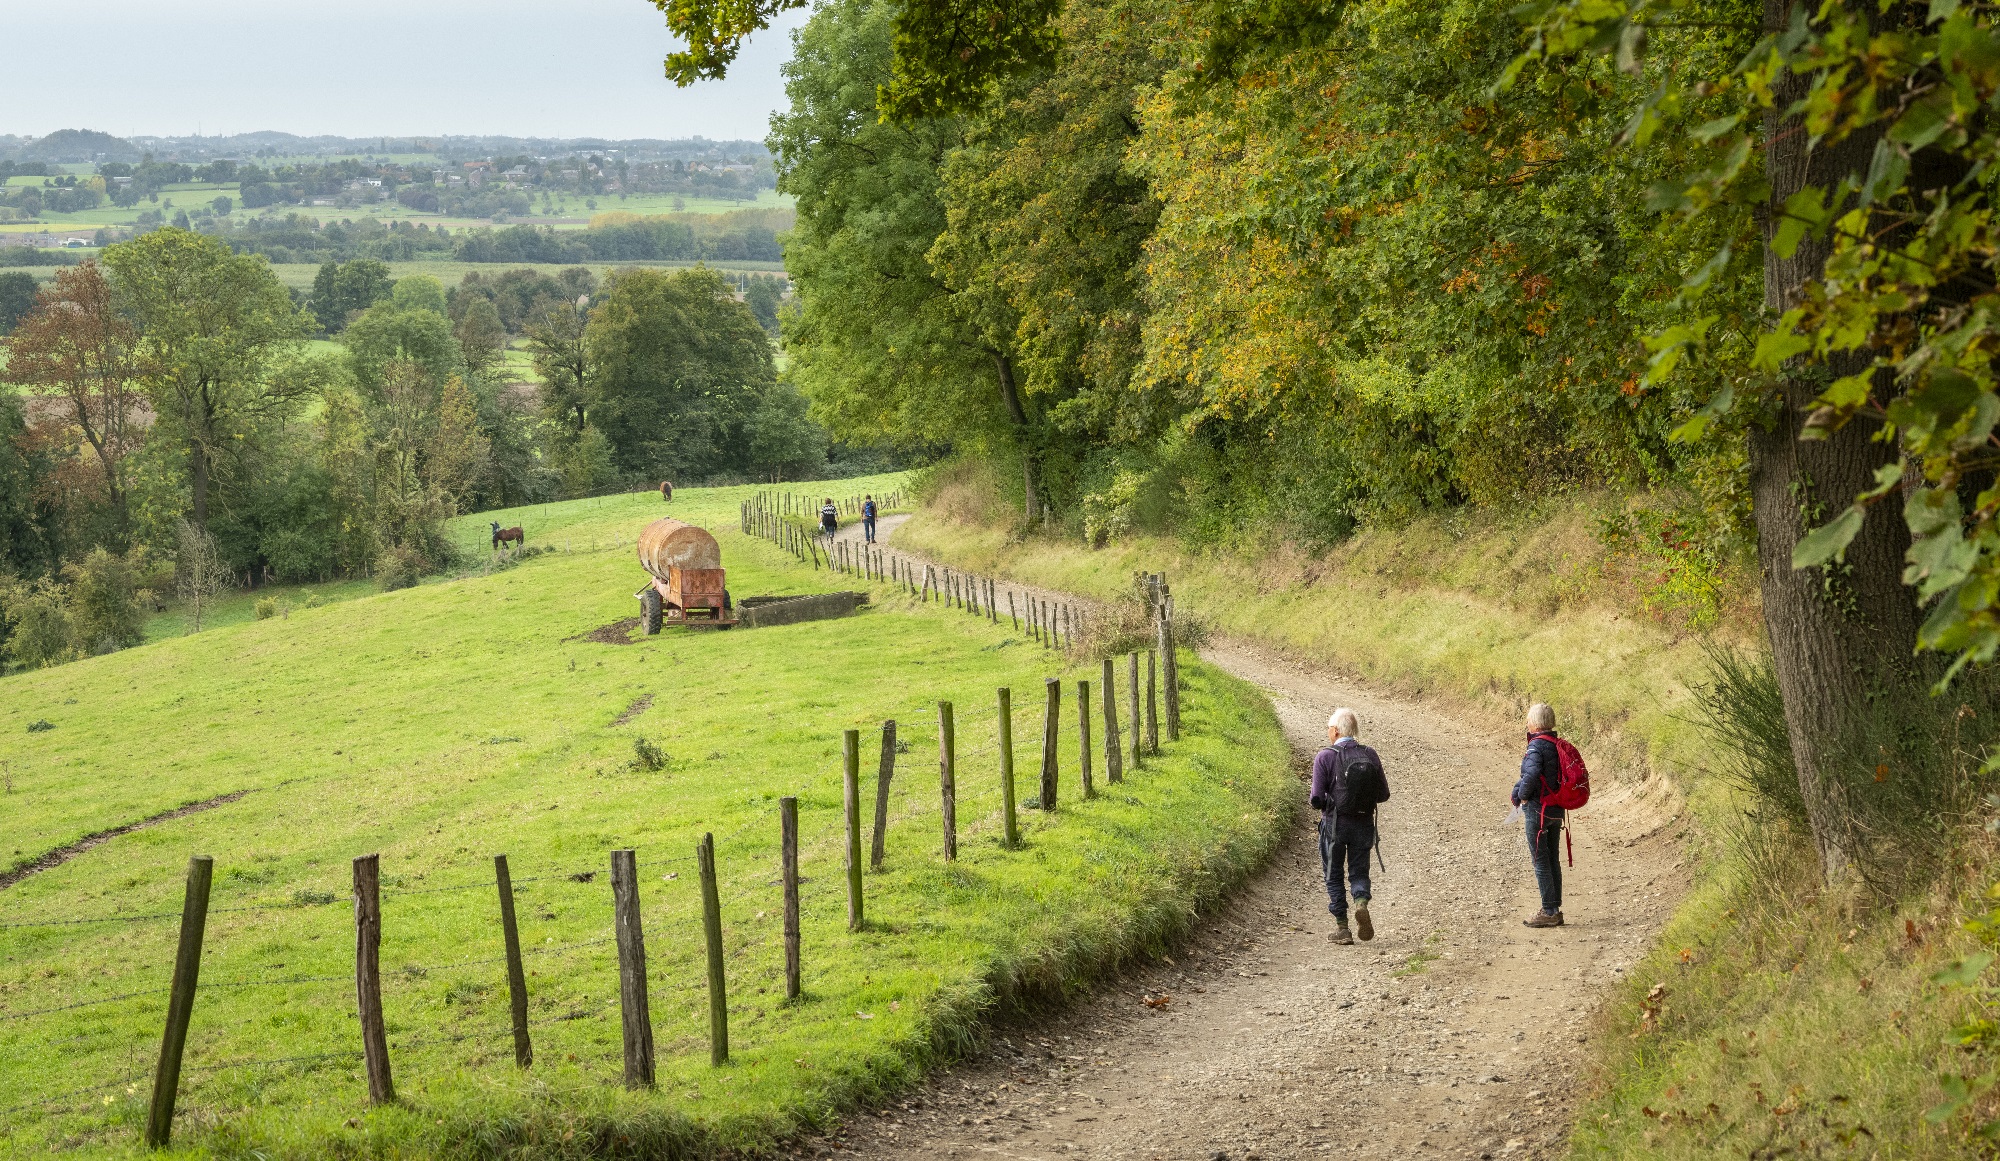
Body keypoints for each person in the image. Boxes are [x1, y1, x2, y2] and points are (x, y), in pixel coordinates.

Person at [1309, 708, 1391, 945]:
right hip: (1363, 825)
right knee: (1359, 871)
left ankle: (1342, 928)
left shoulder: (1325, 756)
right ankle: (1361, 903)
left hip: (1334, 826)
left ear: (1335, 730)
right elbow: (1383, 794)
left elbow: (1316, 799)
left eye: (1328, 727)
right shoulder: (1370, 754)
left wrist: (1327, 803)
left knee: (1333, 875)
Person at [1513, 702, 1565, 928]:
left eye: (1528, 720)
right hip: (1556, 810)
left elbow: (1531, 774)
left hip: (1538, 809)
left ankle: (1549, 910)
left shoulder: (1536, 747)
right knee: (1553, 858)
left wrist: (1522, 796)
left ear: (1534, 724)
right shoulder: (1557, 745)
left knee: (1540, 860)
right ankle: (1555, 908)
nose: (1526, 723)